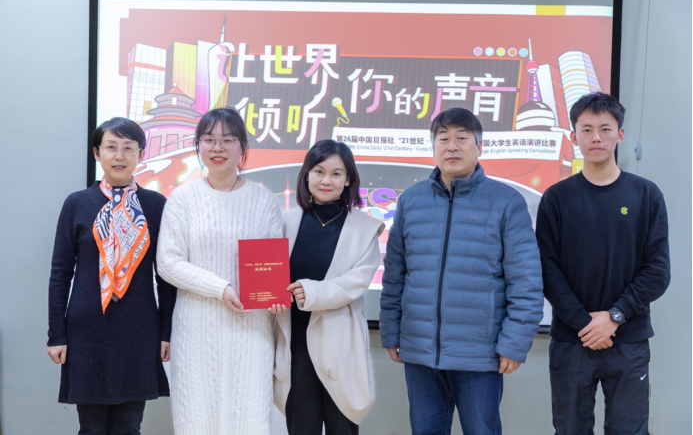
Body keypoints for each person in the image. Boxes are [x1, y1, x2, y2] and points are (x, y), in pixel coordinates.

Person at [379, 107, 544, 435]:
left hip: (480, 353)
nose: (452, 146)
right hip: (421, 352)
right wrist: (391, 331)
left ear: (479, 146)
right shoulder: (411, 201)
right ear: (434, 147)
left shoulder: (506, 202)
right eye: (443, 138)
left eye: (462, 138)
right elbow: (395, 275)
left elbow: (526, 280)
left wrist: (515, 342)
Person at [535, 92, 670, 435]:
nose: (596, 137)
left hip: (628, 340)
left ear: (619, 134)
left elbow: (657, 271)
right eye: (587, 129)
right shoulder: (556, 198)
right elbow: (546, 270)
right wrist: (586, 324)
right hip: (572, 340)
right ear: (573, 136)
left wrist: (614, 317)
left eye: (605, 129)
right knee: (570, 429)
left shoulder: (646, 194)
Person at [156, 108, 283, 435]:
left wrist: (275, 293)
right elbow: (168, 262)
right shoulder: (182, 199)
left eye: (227, 140)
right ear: (198, 145)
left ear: (242, 147)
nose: (217, 148)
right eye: (209, 139)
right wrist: (220, 288)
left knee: (250, 420)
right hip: (196, 329)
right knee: (197, 420)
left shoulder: (264, 200)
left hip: (252, 331)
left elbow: (273, 265)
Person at [47, 117, 176, 434]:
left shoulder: (155, 205)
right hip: (86, 330)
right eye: (111, 147)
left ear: (141, 154)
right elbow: (60, 273)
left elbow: (166, 275)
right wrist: (57, 335)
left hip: (139, 329)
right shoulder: (77, 203)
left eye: (129, 148)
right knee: (90, 427)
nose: (120, 156)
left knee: (129, 426)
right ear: (97, 153)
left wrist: (166, 332)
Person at [272, 139, 384, 435]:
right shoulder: (282, 222)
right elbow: (268, 274)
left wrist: (312, 292)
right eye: (319, 171)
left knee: (341, 426)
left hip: (339, 340)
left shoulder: (365, 228)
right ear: (307, 175)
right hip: (296, 342)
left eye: (336, 173)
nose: (326, 180)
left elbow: (356, 282)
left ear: (348, 180)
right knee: (301, 426)